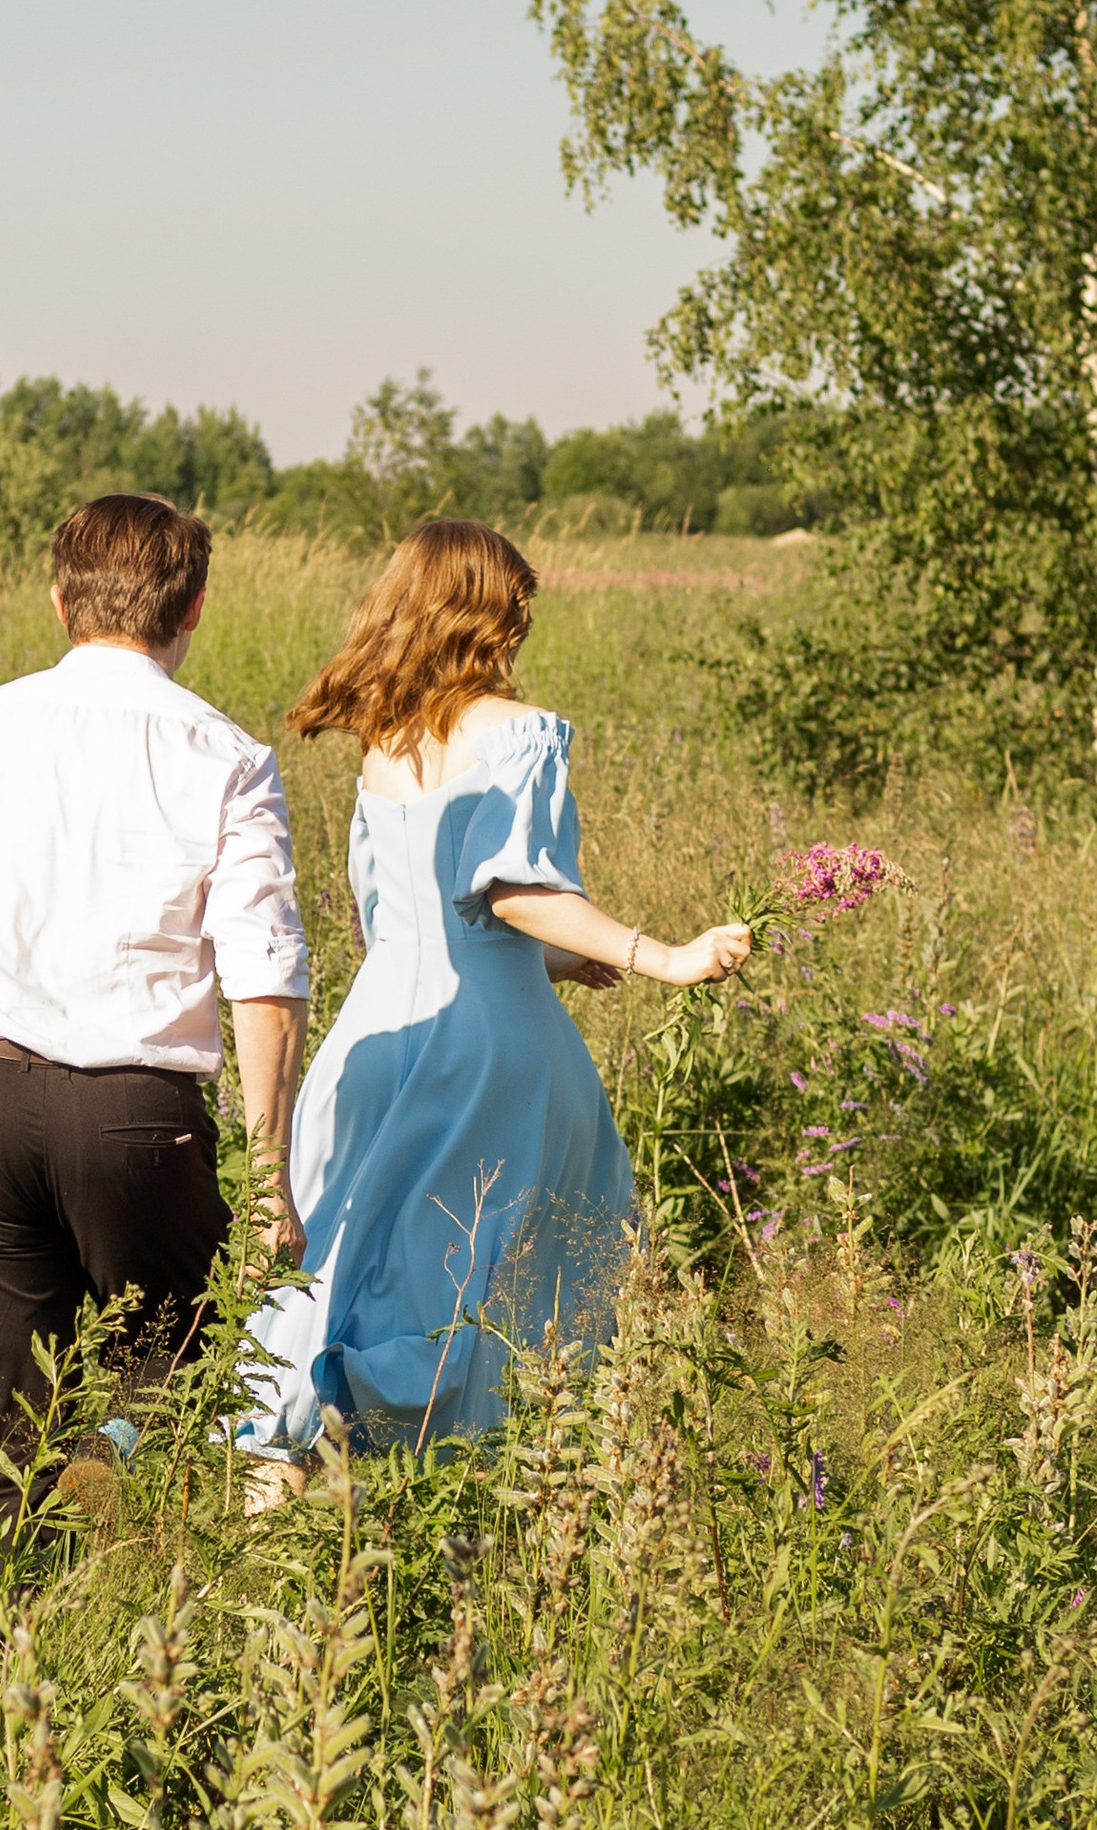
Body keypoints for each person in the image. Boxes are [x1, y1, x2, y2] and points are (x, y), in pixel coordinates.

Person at [238, 515, 751, 1481]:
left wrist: (546, 962)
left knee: (347, 1262)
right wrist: (663, 956)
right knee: (496, 1261)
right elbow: (515, 888)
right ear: (492, 613)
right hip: (488, 1049)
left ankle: (289, 1479)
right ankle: (480, 1487)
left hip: (377, 1034)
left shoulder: (380, 745)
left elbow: (406, 921)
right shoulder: (524, 735)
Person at [0, 491, 310, 1521]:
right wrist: (267, 1178)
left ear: (57, 599)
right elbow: (262, 974)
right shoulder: (226, 757)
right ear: (195, 606)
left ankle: (12, 1637)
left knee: (4, 1414)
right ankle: (127, 1509)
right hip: (129, 1113)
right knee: (186, 1355)